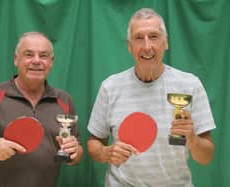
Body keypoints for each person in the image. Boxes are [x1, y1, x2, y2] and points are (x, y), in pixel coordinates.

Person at [87, 8, 215, 187]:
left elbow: (207, 156)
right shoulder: (110, 87)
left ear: (166, 43)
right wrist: (104, 152)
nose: (147, 47)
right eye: (139, 38)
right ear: (129, 46)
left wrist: (192, 138)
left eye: (154, 37)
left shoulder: (190, 85)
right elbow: (94, 142)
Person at [0, 32, 83, 187]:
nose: (36, 61)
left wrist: (75, 151)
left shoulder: (64, 100)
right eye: (29, 54)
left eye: (43, 56)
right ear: (16, 59)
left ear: (51, 62)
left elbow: (77, 152)